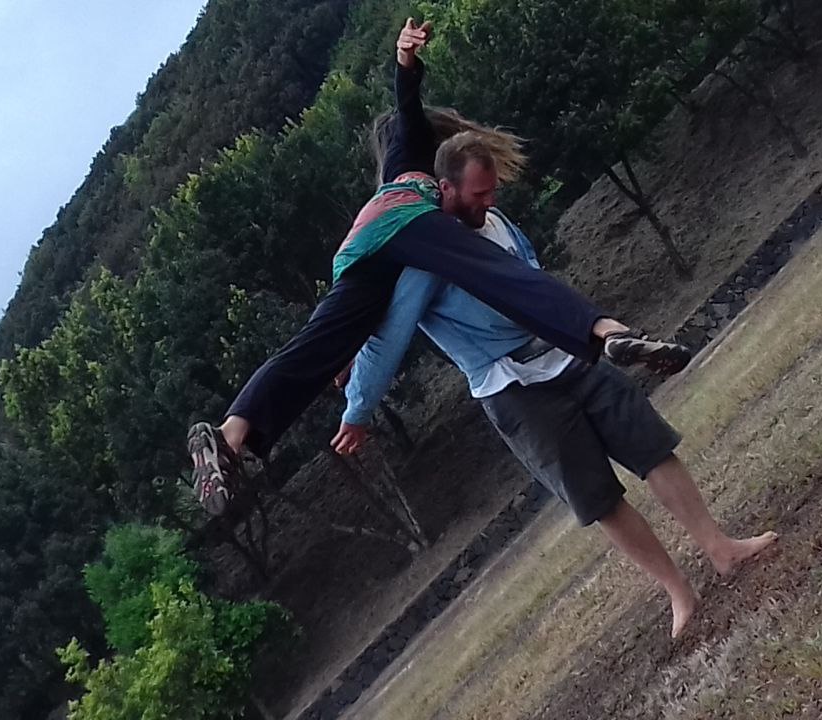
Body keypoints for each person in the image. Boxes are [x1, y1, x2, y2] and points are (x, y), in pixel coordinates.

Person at [187, 20, 691, 516]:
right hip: (408, 224)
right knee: (507, 278)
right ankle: (608, 332)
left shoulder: (391, 174)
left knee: (311, 348)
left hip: (359, 253)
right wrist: (405, 62)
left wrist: (351, 366)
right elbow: (408, 109)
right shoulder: (417, 165)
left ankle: (229, 436)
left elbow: (379, 333)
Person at [331, 133, 776, 637]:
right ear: (446, 188)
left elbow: (533, 278)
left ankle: (721, 549)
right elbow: (387, 338)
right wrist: (358, 409)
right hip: (512, 387)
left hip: (570, 354)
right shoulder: (423, 259)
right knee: (596, 497)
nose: (488, 201)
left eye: (492, 191)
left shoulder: (497, 222)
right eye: (479, 194)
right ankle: (679, 593)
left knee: (650, 446)